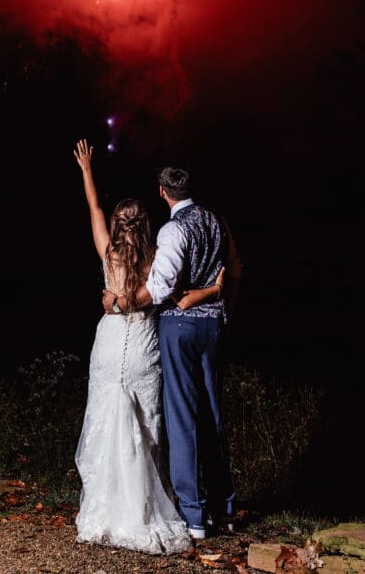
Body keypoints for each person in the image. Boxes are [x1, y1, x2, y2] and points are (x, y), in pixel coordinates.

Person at [73, 140, 223, 554]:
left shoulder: (107, 251)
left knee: (105, 412)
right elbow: (164, 289)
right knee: (148, 422)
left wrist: (87, 170)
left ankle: (104, 505)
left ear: (120, 226)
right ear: (145, 224)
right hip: (142, 341)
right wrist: (212, 289)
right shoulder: (157, 254)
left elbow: (94, 210)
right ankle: (145, 505)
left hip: (110, 338)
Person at [103, 164, 241, 542]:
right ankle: (224, 510)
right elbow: (235, 269)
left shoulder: (172, 230)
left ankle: (193, 515)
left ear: (162, 192)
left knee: (182, 418)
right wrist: (215, 298)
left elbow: (160, 287)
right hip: (213, 325)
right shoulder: (216, 221)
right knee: (212, 413)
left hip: (179, 328)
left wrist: (122, 304)